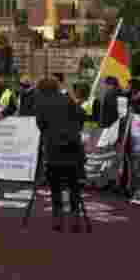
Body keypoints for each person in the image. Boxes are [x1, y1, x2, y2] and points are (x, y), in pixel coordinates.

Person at [33, 77, 86, 231]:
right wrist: (74, 129)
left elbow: (41, 125)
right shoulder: (67, 99)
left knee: (55, 184)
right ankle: (75, 218)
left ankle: (57, 218)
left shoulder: (41, 104)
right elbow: (82, 115)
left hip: (53, 149)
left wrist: (51, 133)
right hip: (73, 147)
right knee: (73, 184)